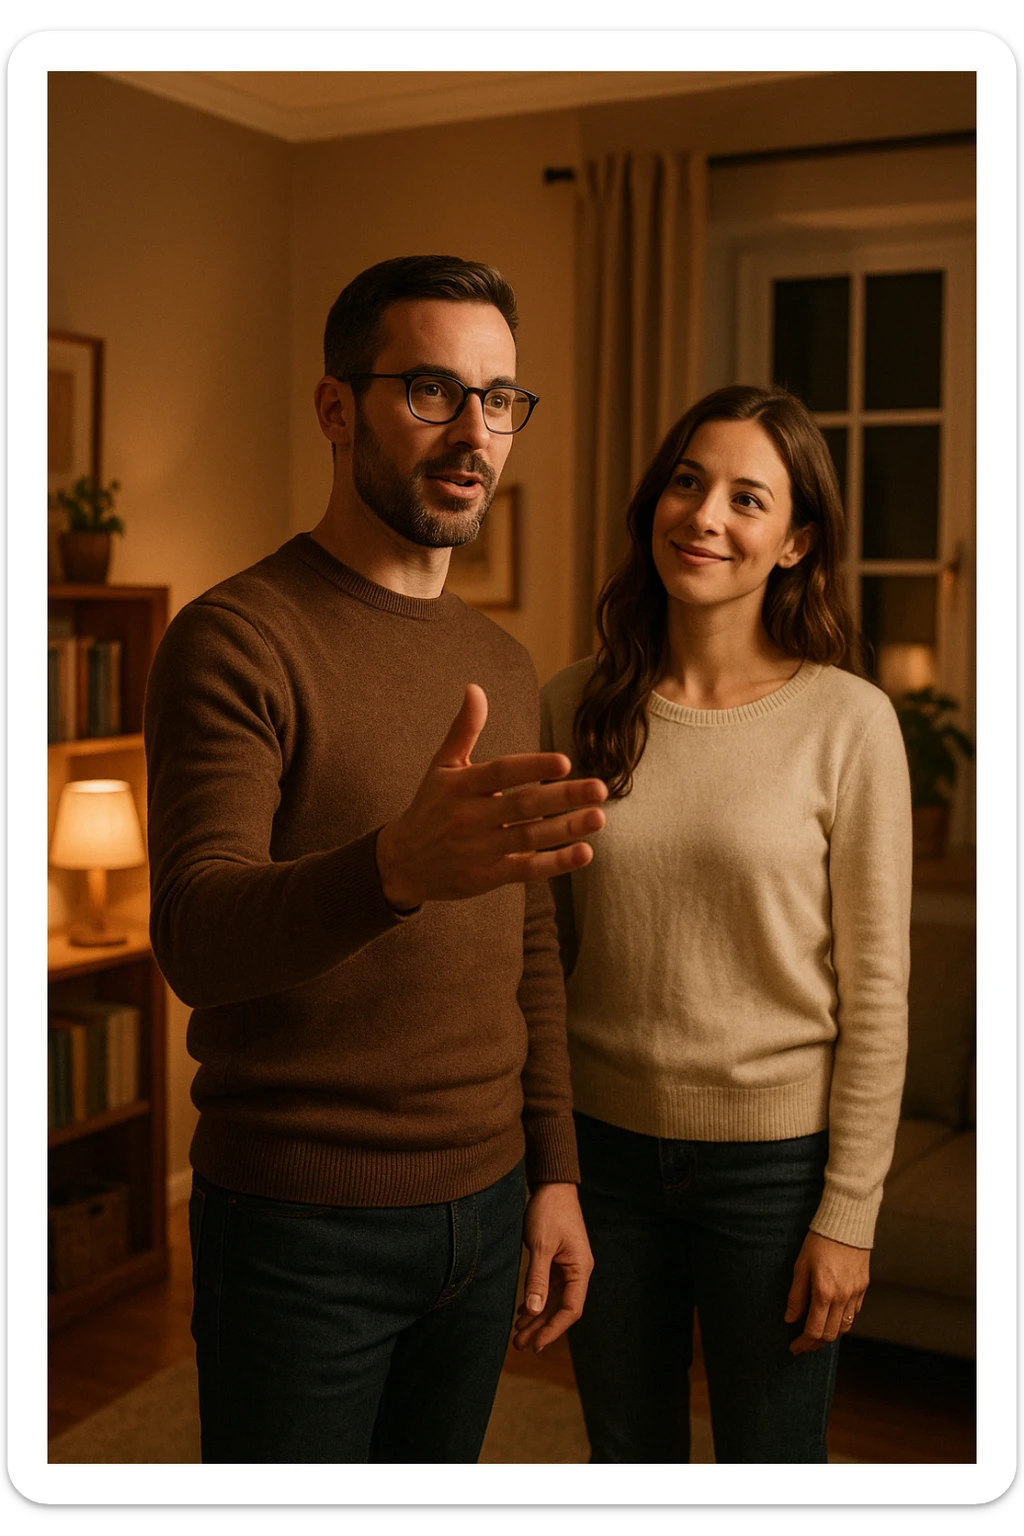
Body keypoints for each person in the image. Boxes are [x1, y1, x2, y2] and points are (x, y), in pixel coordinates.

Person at [144, 254, 605, 1464]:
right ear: (337, 408)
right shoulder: (236, 639)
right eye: (431, 391)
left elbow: (533, 948)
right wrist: (392, 868)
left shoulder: (503, 665)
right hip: (302, 1229)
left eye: (500, 399)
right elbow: (196, 935)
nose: (475, 434)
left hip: (487, 1204)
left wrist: (552, 1174)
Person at [537, 384, 912, 1464]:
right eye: (688, 483)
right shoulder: (570, 706)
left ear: (795, 541)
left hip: (778, 1174)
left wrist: (848, 1215)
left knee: (772, 1462)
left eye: (748, 499)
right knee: (626, 1457)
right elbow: (544, 957)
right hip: (603, 1163)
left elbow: (877, 995)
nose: (704, 517)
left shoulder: (849, 722)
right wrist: (546, 1163)